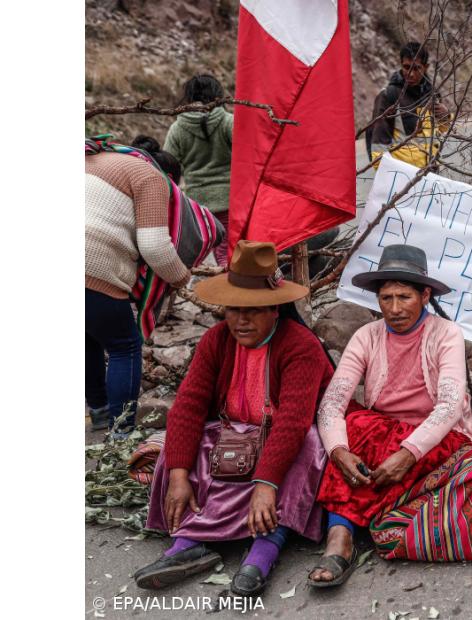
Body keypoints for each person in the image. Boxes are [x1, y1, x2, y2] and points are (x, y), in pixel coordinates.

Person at [135, 241, 333, 596]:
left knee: (309, 445)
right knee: (185, 442)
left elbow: (292, 421)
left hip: (281, 441)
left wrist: (266, 485)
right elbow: (188, 405)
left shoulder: (300, 346)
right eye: (233, 309)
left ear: (275, 308)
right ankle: (189, 542)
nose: (241, 320)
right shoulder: (216, 340)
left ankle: (266, 547)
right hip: (232, 437)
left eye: (253, 311)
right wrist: (179, 476)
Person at [307, 244, 472, 587]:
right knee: (352, 427)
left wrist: (407, 453)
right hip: (384, 427)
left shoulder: (446, 334)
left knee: (383, 446)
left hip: (435, 432)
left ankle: (349, 526)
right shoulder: (366, 336)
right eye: (387, 298)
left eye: (405, 297)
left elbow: (448, 407)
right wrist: (338, 451)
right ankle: (339, 539)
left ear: (425, 295)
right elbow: (332, 403)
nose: (395, 308)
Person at [86, 138, 193, 434]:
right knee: (125, 346)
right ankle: (122, 434)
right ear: (171, 179)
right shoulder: (150, 177)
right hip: (91, 265)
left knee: (87, 334)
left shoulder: (99, 157)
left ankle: (99, 411)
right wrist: (183, 279)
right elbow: (155, 247)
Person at [163, 74, 234, 265]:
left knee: (197, 256)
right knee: (227, 252)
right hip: (230, 199)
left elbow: (167, 165)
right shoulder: (228, 122)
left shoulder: (178, 129)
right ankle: (228, 287)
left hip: (197, 205)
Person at [367, 41, 451, 169]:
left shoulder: (432, 94)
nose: (411, 74)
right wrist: (391, 179)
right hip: (404, 179)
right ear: (401, 65)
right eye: (406, 67)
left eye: (417, 68)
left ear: (426, 67)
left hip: (430, 174)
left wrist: (445, 117)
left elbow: (440, 131)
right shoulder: (389, 96)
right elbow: (378, 150)